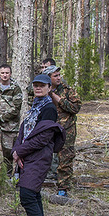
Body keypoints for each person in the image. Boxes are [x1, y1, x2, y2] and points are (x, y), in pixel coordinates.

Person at [12, 74, 65, 216]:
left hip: (40, 156)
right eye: (36, 85)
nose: (38, 88)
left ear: (50, 88)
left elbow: (43, 138)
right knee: (33, 193)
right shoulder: (34, 107)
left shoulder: (49, 108)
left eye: (42, 85)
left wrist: (20, 151)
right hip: (28, 155)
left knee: (27, 194)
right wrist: (17, 152)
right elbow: (23, 131)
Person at [43, 65, 81, 197]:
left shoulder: (68, 91)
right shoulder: (42, 90)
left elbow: (76, 108)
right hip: (48, 128)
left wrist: (58, 99)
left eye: (59, 75)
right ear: (49, 78)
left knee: (65, 157)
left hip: (66, 129)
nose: (59, 78)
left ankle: (63, 187)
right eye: (55, 76)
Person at [0, 64, 23, 176]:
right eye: (3, 73)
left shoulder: (16, 89)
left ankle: (7, 176)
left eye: (7, 73)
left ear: (10, 74)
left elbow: (16, 109)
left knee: (8, 153)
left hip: (10, 126)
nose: (5, 75)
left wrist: (0, 119)